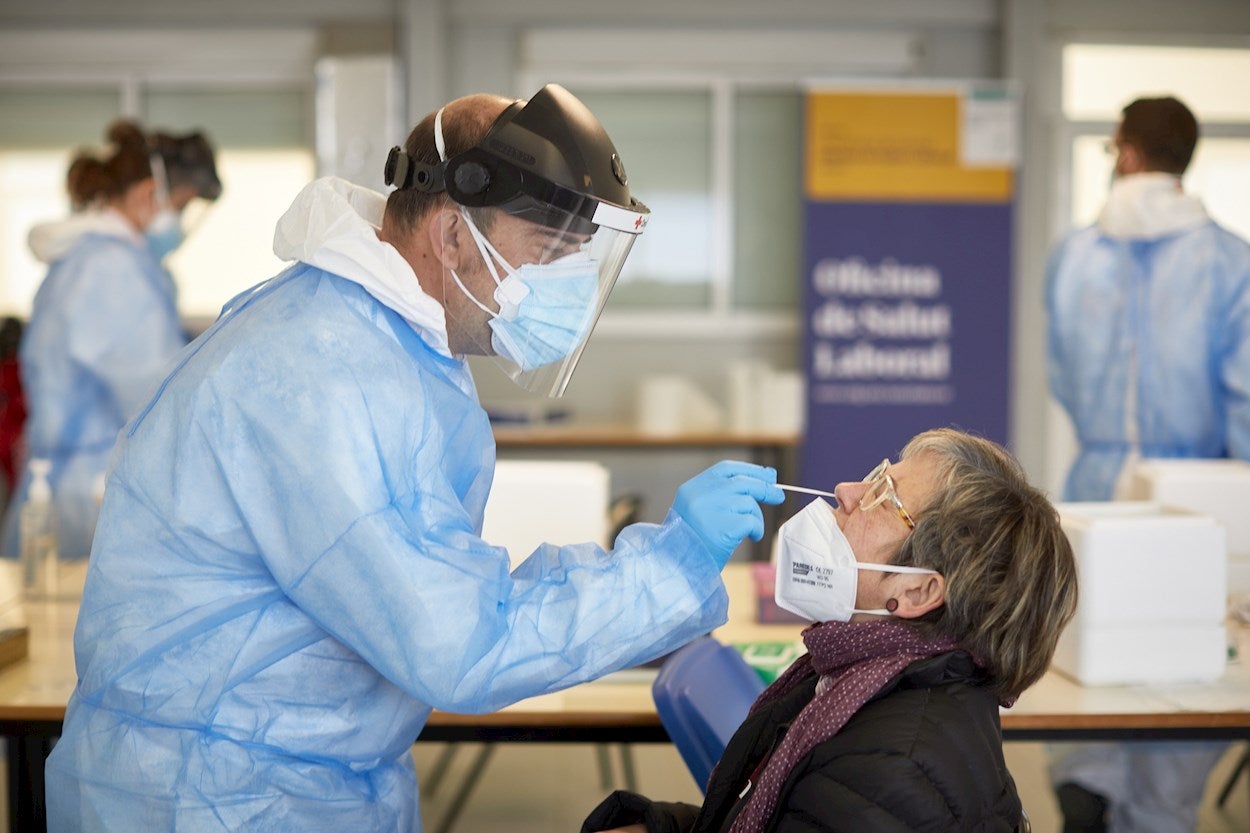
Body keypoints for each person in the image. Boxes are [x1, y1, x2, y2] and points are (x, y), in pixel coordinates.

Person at [45, 84, 785, 832]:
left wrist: (655, 565)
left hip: (299, 782)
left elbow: (452, 578)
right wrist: (666, 567)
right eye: (546, 255)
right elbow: (460, 638)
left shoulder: (391, 338)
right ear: (452, 233)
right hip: (209, 798)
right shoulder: (322, 372)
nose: (565, 285)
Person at [581, 427, 1080, 833]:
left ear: (918, 593)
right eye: (877, 476)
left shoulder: (890, 769)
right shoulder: (854, 676)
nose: (846, 491)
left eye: (884, 497)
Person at [1045, 95, 1250, 833]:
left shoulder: (1074, 254)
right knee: (1185, 675)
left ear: (1125, 151)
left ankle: (1085, 793)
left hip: (1096, 495)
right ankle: (1158, 813)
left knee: (1086, 663)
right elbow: (1246, 401)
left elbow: (1064, 378)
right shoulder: (1231, 261)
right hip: (1201, 503)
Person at [1, 119, 221, 563]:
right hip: (86, 499)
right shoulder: (113, 271)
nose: (180, 224)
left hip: (62, 488)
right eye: (181, 206)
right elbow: (153, 399)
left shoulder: (89, 259)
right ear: (147, 197)